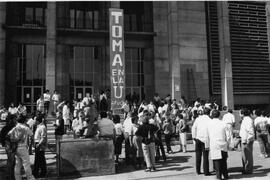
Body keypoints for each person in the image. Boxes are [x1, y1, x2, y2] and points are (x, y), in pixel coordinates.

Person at [8, 115, 36, 180]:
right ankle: (30, 178)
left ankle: (17, 178)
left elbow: (9, 135)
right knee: (26, 164)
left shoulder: (15, 128)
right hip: (23, 147)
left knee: (18, 164)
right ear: (24, 121)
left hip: (16, 147)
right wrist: (32, 143)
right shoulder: (25, 128)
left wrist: (15, 139)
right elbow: (32, 135)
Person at [207, 110, 231, 180]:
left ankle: (218, 176)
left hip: (214, 144)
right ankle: (225, 175)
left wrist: (207, 144)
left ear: (212, 115)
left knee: (216, 161)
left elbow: (207, 135)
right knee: (223, 161)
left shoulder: (209, 123)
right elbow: (228, 135)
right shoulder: (223, 123)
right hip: (223, 144)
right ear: (219, 115)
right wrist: (228, 143)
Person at [192, 107, 211, 176]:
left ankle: (198, 170)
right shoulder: (210, 120)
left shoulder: (198, 119)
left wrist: (194, 137)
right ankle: (206, 171)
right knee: (205, 156)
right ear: (209, 113)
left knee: (198, 155)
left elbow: (193, 128)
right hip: (206, 140)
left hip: (198, 139)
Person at [0, 114, 17, 180]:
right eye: (15, 119)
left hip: (10, 146)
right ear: (11, 120)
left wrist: (3, 143)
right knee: (11, 161)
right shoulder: (10, 127)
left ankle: (10, 175)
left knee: (11, 161)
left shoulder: (8, 127)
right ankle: (10, 176)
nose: (16, 120)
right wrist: (4, 143)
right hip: (10, 146)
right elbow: (1, 136)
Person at [239, 108, 255, 174]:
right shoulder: (246, 119)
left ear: (243, 114)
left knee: (247, 156)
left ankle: (248, 169)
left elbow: (250, 131)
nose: (239, 114)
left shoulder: (247, 120)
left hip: (246, 140)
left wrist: (248, 140)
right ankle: (246, 168)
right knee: (245, 156)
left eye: (239, 113)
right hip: (245, 139)